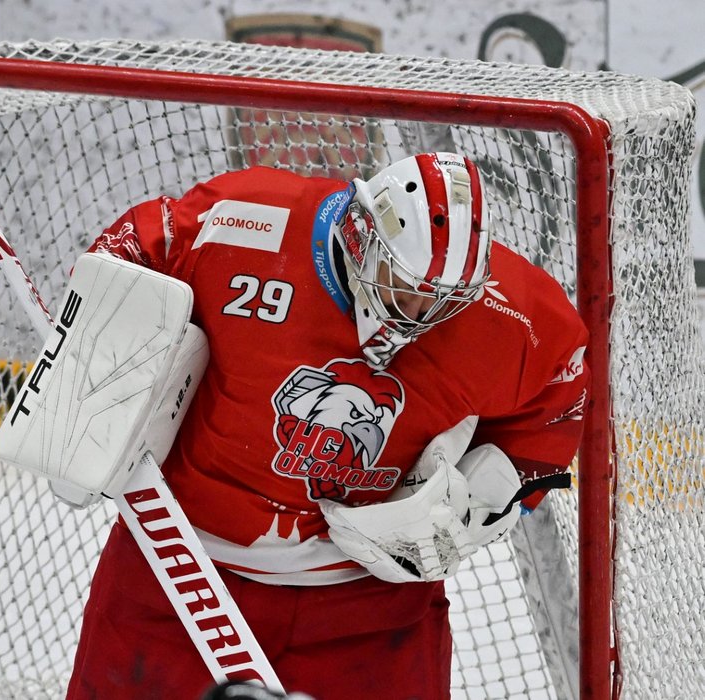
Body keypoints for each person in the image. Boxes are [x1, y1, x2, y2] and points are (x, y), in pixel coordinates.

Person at [64, 153, 589, 699]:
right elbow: (134, 246)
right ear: (361, 238)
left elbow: (562, 396)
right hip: (178, 571)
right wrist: (91, 366)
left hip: (369, 608)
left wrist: (476, 503)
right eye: (404, 284)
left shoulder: (513, 314)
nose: (419, 311)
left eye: (444, 300)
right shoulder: (250, 219)